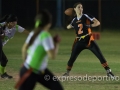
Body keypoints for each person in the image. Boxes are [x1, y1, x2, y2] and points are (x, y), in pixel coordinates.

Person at [63, 2, 115, 78]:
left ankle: (109, 72)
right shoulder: (74, 20)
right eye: (78, 7)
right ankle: (67, 73)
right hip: (79, 41)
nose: (81, 9)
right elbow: (68, 27)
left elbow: (97, 23)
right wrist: (71, 19)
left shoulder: (85, 16)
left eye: (81, 7)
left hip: (89, 40)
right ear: (74, 9)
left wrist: (89, 25)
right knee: (72, 58)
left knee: (100, 55)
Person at [15, 10, 63, 90]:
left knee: (57, 87)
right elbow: (52, 56)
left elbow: (24, 49)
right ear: (49, 23)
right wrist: (57, 43)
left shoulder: (33, 33)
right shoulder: (45, 36)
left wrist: (25, 65)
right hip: (31, 73)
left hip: (37, 71)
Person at [0, 14, 29, 79]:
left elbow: (27, 32)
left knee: (4, 60)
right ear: (8, 23)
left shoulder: (16, 27)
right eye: (13, 23)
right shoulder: (1, 25)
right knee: (3, 59)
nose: (14, 24)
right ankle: (3, 74)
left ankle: (3, 74)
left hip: (0, 45)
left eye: (15, 22)